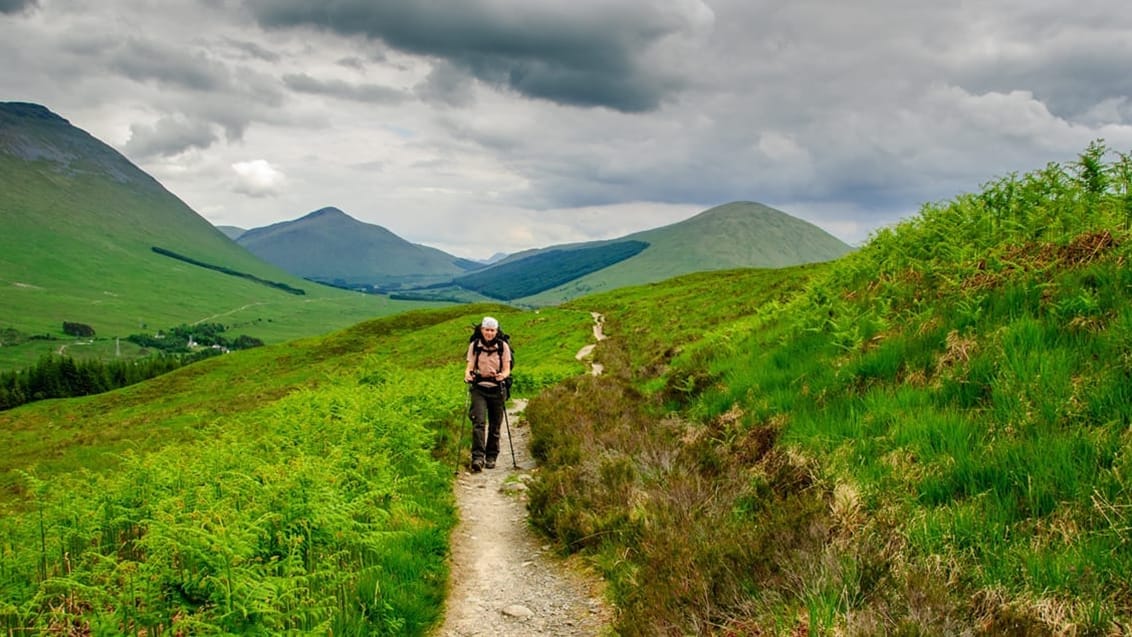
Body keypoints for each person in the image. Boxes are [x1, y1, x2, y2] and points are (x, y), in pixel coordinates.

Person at [464, 316, 511, 472]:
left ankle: (491, 456)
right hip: (479, 387)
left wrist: (501, 376)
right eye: (486, 330)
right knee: (479, 422)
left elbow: (507, 369)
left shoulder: (503, 346)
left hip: (497, 388)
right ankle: (477, 458)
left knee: (495, 425)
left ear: (496, 331)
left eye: (492, 330)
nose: (489, 333)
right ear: (481, 330)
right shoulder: (475, 345)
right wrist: (468, 375)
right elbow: (469, 365)